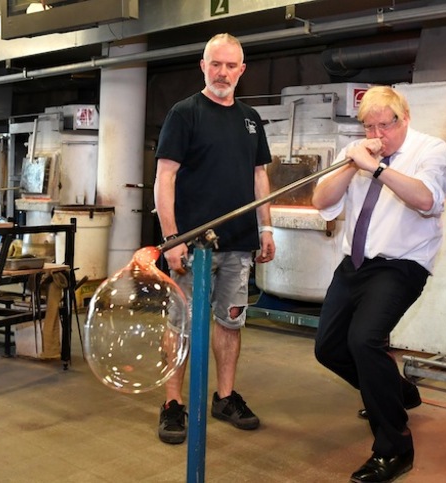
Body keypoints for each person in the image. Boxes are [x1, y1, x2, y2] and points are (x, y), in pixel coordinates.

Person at [312, 86, 446, 482]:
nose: (377, 134)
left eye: (385, 125)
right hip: (355, 262)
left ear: (404, 117)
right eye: (369, 126)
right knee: (327, 348)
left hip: (401, 263)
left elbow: (426, 200)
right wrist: (350, 165)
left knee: (364, 340)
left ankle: (394, 447)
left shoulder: (431, 150)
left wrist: (376, 168)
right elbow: (322, 202)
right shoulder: (357, 152)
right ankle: (398, 393)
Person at [153, 33, 275, 444]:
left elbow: (260, 176)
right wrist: (171, 239)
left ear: (242, 70)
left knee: (230, 321)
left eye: (231, 66)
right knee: (181, 324)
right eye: (215, 64)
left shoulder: (250, 118)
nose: (223, 72)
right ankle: (173, 403)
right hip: (191, 247)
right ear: (202, 66)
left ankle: (224, 397)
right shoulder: (184, 114)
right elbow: (164, 177)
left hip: (238, 243)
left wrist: (267, 227)